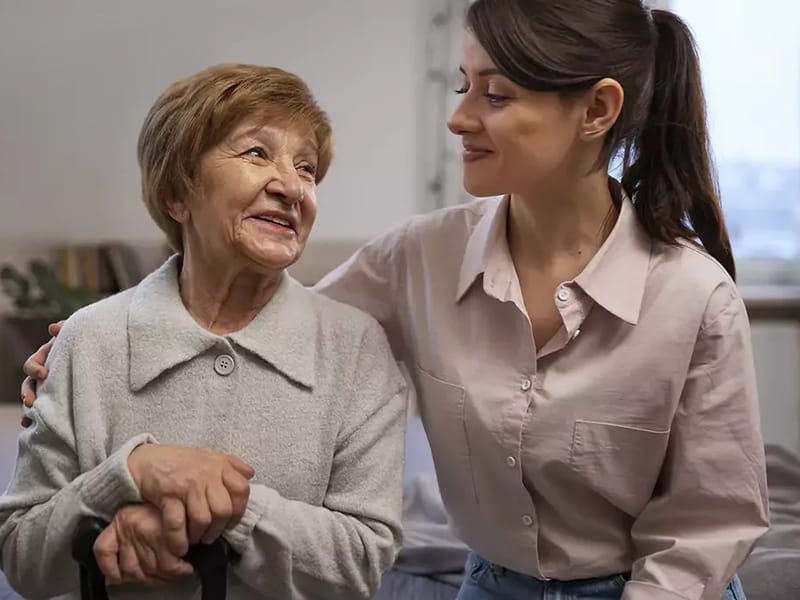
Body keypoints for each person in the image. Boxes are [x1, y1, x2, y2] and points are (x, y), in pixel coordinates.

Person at [19, 1, 770, 599]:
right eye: (462, 86)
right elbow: (267, 324)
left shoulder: (695, 298)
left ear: (597, 111)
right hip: (490, 586)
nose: (459, 117)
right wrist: (83, 353)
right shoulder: (416, 257)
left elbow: (708, 525)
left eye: (496, 94)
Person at [1, 63, 408, 600]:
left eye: (306, 168)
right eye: (257, 153)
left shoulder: (356, 347)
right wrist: (131, 472)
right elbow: (22, 557)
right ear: (178, 194)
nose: (291, 186)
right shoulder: (88, 338)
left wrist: (226, 508)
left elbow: (363, 561)